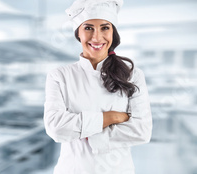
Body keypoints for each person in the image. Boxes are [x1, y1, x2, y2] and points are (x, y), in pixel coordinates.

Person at [43, 0, 153, 173]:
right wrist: (112, 117)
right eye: (88, 28)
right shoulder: (59, 76)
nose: (96, 37)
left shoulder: (132, 75)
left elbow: (141, 131)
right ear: (78, 33)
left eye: (104, 28)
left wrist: (83, 130)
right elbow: (56, 128)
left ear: (113, 33)